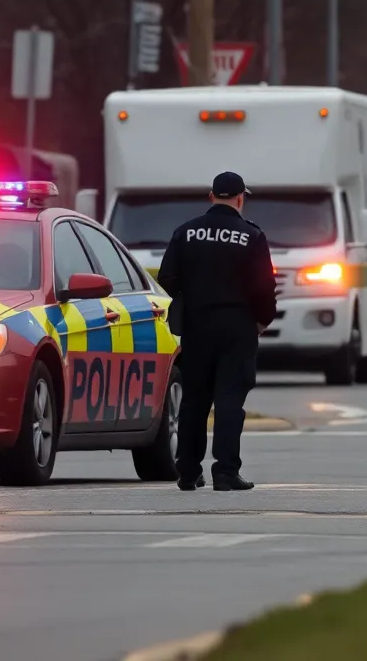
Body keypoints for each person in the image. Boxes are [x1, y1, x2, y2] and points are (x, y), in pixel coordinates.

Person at [157, 171, 278, 492]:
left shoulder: (186, 232)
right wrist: (262, 320)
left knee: (194, 400)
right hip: (237, 328)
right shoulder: (251, 236)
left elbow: (167, 277)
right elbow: (265, 287)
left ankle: (187, 472)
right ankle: (225, 472)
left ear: (211, 197)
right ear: (240, 198)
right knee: (229, 399)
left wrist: (189, 300)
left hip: (197, 327)